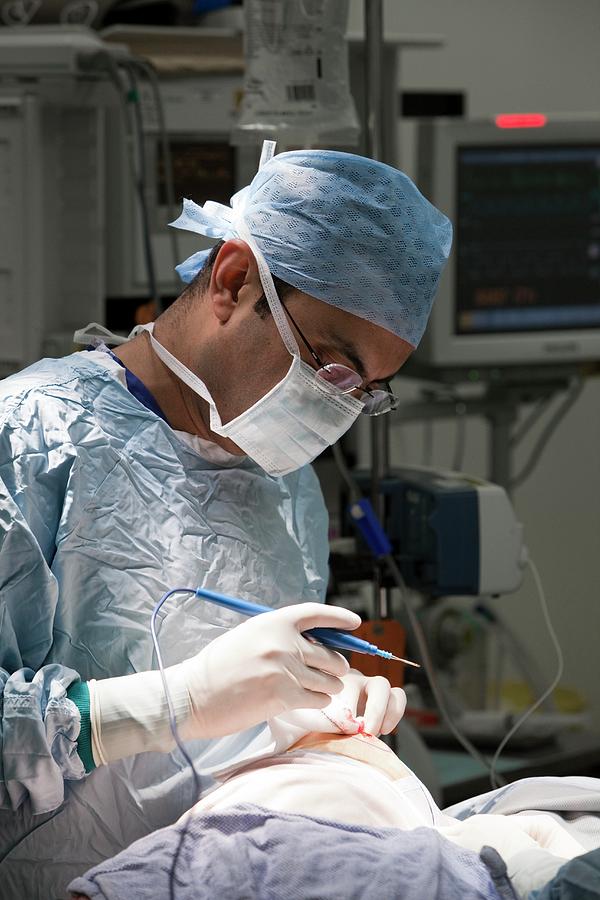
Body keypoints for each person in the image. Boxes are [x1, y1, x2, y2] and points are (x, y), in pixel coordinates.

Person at [0, 144, 452, 897]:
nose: (341, 405)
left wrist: (322, 706)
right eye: (333, 367)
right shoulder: (29, 439)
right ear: (235, 280)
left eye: (369, 390)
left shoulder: (287, 488)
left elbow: (250, 725)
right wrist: (170, 705)